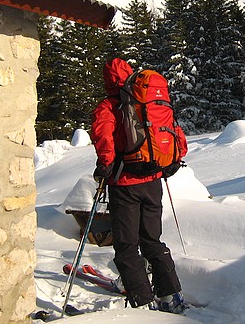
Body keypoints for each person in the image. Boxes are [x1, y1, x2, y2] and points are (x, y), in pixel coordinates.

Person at [90, 58, 188, 312]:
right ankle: (172, 296)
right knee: (152, 242)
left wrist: (105, 167)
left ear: (107, 80)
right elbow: (175, 132)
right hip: (154, 180)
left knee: (126, 247)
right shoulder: (148, 100)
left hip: (125, 184)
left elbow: (104, 138)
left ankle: (143, 304)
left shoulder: (109, 106)